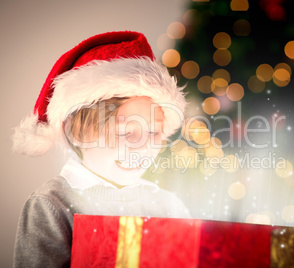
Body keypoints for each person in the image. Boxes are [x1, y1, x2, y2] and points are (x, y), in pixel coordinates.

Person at [12, 31, 190, 267]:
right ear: (78, 133)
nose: (144, 147)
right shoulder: (52, 203)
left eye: (154, 133)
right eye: (126, 133)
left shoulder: (168, 205)